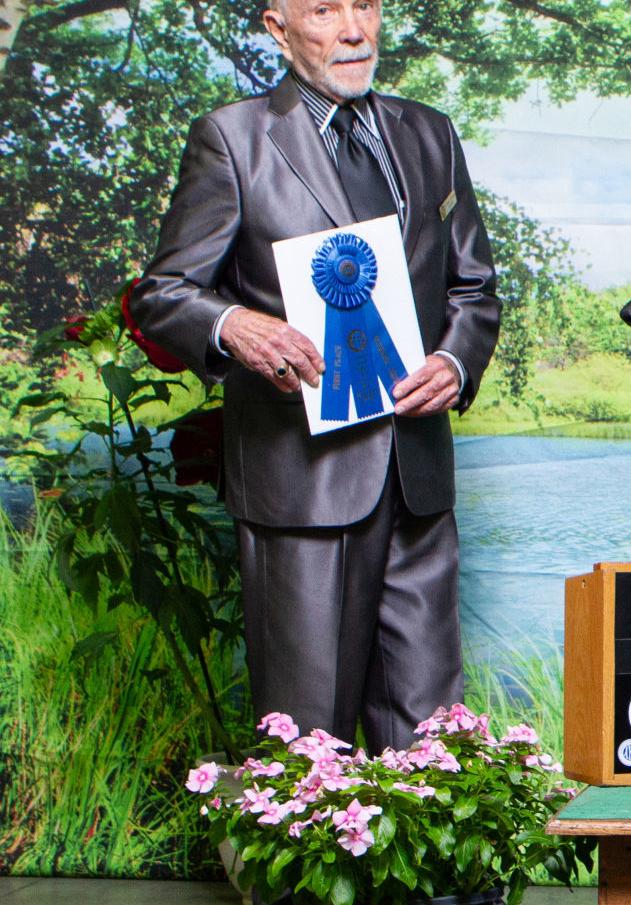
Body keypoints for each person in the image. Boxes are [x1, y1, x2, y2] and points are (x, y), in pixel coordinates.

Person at [130, 0, 500, 752]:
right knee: (308, 733)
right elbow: (161, 293)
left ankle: (433, 877)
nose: (354, 29)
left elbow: (473, 287)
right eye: (325, 10)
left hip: (417, 473)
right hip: (301, 478)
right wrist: (233, 324)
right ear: (276, 27)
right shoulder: (231, 138)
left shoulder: (429, 131)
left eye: (364, 5)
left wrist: (455, 360)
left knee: (432, 727)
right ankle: (302, 875)